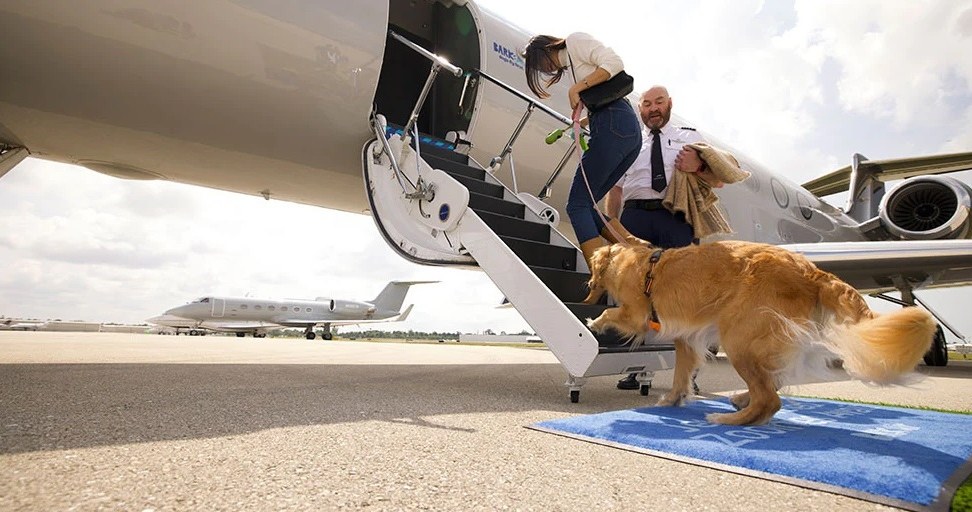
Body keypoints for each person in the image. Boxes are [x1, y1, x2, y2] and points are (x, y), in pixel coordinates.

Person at [606, 86, 729, 390]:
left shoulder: (690, 135)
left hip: (675, 217)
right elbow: (616, 189)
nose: (653, 108)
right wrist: (614, 227)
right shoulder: (630, 140)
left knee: (684, 295)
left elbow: (719, 178)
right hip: (635, 217)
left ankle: (688, 374)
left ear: (669, 104)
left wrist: (697, 166)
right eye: (646, 104)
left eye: (659, 102)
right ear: (641, 110)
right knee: (635, 294)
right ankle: (635, 367)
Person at [521, 33, 644, 269]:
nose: (544, 69)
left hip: (614, 125)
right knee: (588, 206)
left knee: (576, 205)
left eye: (538, 62)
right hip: (625, 131)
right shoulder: (574, 66)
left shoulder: (575, 41)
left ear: (545, 49)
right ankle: (640, 251)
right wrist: (583, 121)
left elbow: (614, 63)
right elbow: (604, 99)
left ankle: (601, 277)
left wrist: (577, 89)